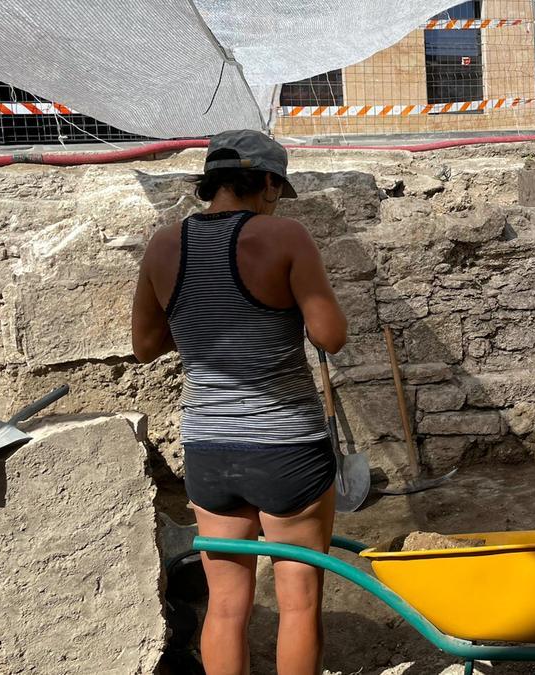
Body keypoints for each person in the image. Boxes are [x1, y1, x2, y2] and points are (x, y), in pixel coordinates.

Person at [131, 129, 347, 675]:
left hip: (208, 450)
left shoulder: (163, 244)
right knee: (298, 603)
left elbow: (146, 345)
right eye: (278, 188)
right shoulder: (285, 236)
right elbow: (331, 335)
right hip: (286, 448)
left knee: (225, 606)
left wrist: (210, 322)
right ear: (268, 181)